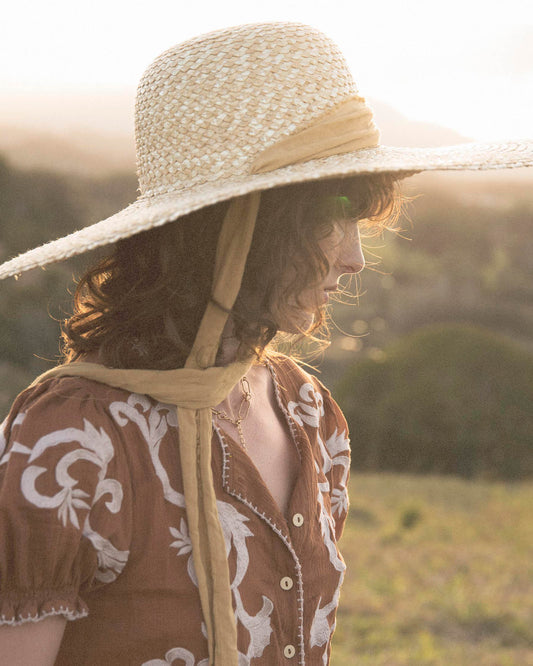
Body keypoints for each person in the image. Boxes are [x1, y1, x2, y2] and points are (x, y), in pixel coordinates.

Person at [0, 21, 531, 666]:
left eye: (357, 221)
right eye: (328, 220)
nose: (355, 259)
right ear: (235, 232)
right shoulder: (68, 438)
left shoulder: (306, 409)